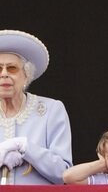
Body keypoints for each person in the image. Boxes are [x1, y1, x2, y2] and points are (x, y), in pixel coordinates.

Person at [0, 29, 72, 184]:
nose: (4, 74)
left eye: (11, 68)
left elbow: (64, 173)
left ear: (26, 75)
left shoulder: (52, 110)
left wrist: (27, 148)